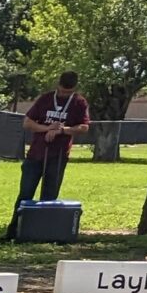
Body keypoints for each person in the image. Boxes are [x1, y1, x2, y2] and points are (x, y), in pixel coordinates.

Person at [20, 73, 90, 208]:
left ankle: (44, 227)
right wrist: (47, 128)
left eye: (68, 92)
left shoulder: (79, 102)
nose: (64, 94)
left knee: (49, 197)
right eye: (63, 91)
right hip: (36, 154)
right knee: (25, 194)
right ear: (58, 84)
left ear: (75, 88)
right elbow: (27, 123)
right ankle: (16, 227)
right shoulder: (45, 99)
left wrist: (62, 130)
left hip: (58, 157)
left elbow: (84, 127)